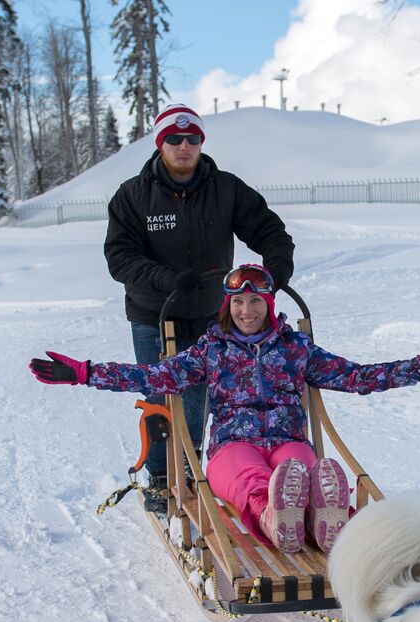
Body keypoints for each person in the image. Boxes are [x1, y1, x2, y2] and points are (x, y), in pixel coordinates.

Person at [30, 264, 420, 554]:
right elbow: (153, 377)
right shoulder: (211, 349)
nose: (247, 309)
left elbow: (356, 377)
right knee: (252, 480)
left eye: (256, 301)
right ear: (228, 306)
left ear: (269, 305)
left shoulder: (295, 346)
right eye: (238, 302)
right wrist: (84, 372)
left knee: (299, 467)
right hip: (233, 445)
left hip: (287, 440)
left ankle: (324, 515)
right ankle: (277, 516)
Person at [104, 102, 296, 513]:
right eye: (174, 138)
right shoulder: (133, 196)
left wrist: (276, 267)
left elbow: (268, 230)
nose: (184, 146)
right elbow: (120, 258)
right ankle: (159, 477)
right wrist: (166, 278)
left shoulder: (226, 189)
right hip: (154, 315)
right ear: (160, 144)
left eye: (192, 138)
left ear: (201, 142)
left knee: (201, 397)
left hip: (211, 314)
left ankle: (189, 468)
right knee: (159, 395)